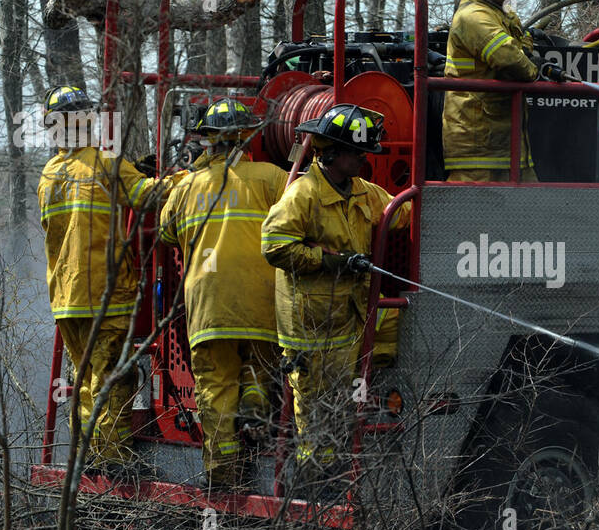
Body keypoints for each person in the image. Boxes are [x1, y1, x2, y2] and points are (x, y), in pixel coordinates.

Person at [260, 104, 412, 489]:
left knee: (341, 407)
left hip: (345, 320)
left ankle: (334, 481)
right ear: (332, 153)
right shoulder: (304, 194)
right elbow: (273, 244)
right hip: (308, 327)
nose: (364, 158)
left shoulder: (362, 191)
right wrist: (328, 261)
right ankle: (314, 489)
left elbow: (401, 213)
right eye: (357, 152)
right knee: (314, 414)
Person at [37, 84, 178, 474]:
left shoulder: (49, 174)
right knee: (116, 378)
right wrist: (187, 178)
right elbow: (148, 197)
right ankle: (113, 461)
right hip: (104, 296)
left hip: (66, 300)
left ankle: (85, 461)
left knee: (84, 383)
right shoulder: (105, 162)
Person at [159, 98, 286, 490]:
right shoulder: (272, 177)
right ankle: (253, 411)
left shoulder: (186, 188)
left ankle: (223, 478)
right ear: (249, 137)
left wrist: (194, 172)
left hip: (207, 308)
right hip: (260, 304)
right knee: (258, 372)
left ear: (207, 142)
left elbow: (166, 234)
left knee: (214, 391)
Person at [442, 0, 566, 182]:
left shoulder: (501, 13)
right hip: (477, 149)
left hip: (508, 145)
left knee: (536, 215)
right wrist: (534, 69)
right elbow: (511, 61)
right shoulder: (473, 16)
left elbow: (522, 48)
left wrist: (529, 53)